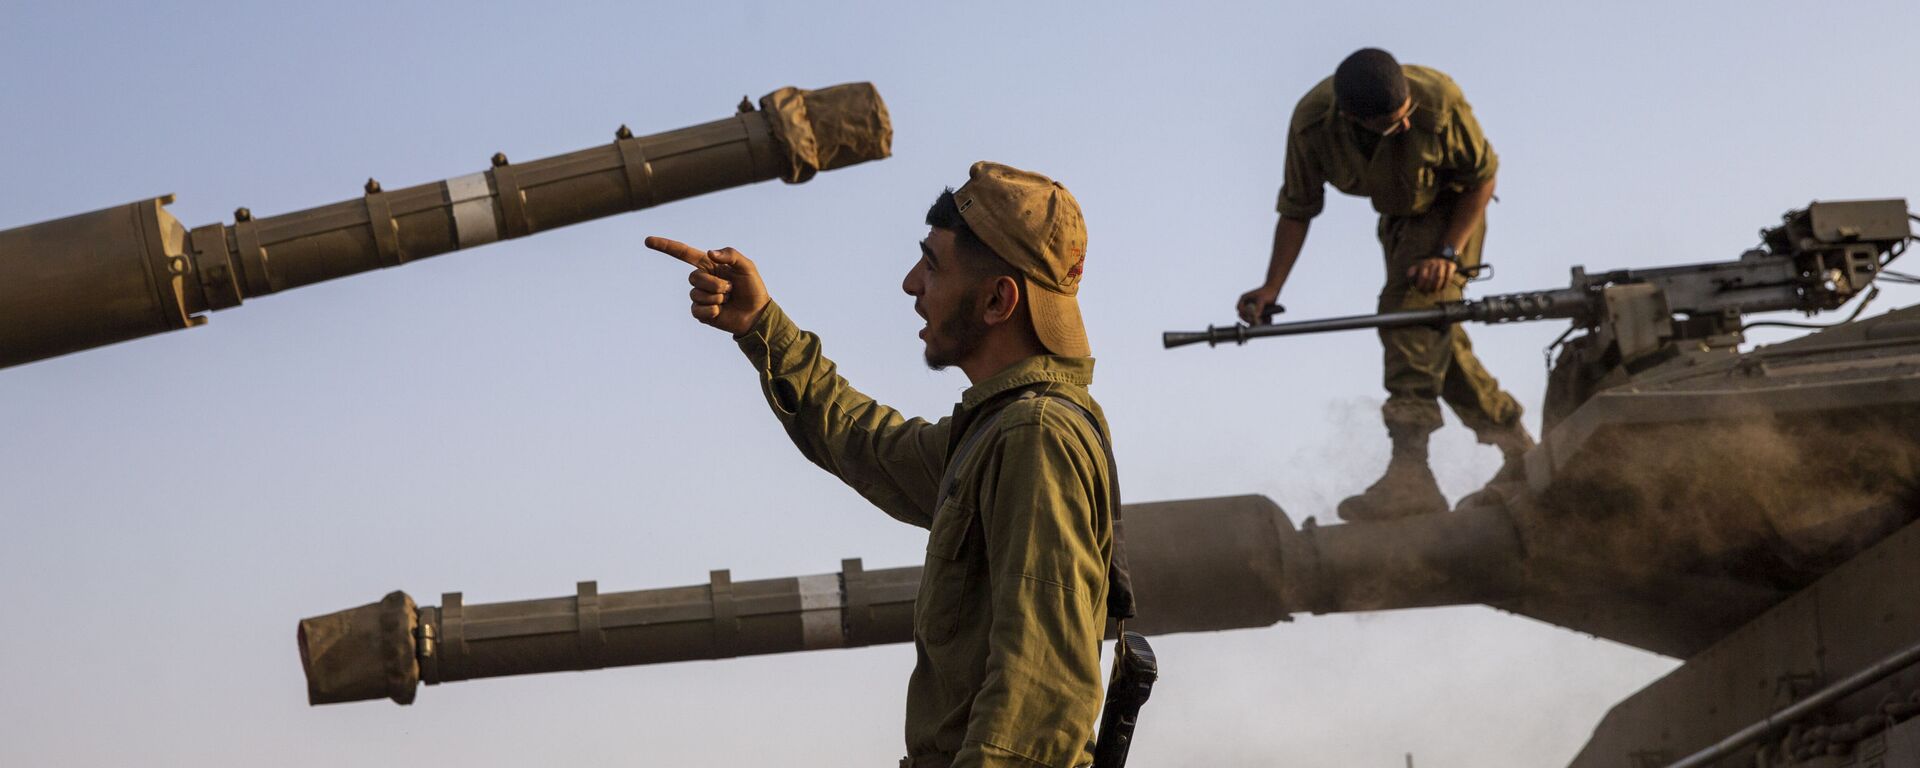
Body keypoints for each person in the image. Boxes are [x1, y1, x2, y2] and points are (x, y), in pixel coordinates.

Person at [647, 161, 1129, 768]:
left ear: (997, 300)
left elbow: (1040, 696)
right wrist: (761, 326)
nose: (910, 283)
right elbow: (871, 446)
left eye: (933, 264)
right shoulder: (1000, 432)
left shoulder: (1035, 434)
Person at [1235, 48, 1534, 521]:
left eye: (1406, 117)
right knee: (1435, 337)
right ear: (1352, 118)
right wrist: (1271, 287)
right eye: (1391, 127)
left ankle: (1411, 475)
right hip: (1399, 223)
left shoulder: (1438, 100)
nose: (1406, 129)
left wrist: (1447, 253)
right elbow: (1297, 208)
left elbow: (1482, 178)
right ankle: (1521, 453)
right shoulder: (1312, 124)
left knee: (1405, 316)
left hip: (1454, 212)